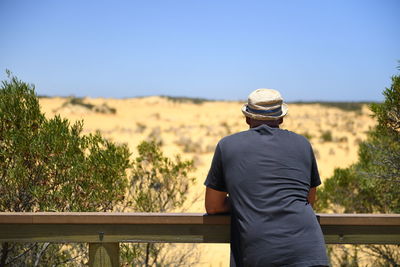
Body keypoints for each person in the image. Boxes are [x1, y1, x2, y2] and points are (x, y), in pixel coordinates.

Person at [204, 89, 329, 267]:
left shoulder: (227, 146)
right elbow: (308, 199)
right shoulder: (303, 144)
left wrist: (248, 201)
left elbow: (213, 206)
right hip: (309, 250)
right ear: (281, 118)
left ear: (247, 118)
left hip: (259, 252)